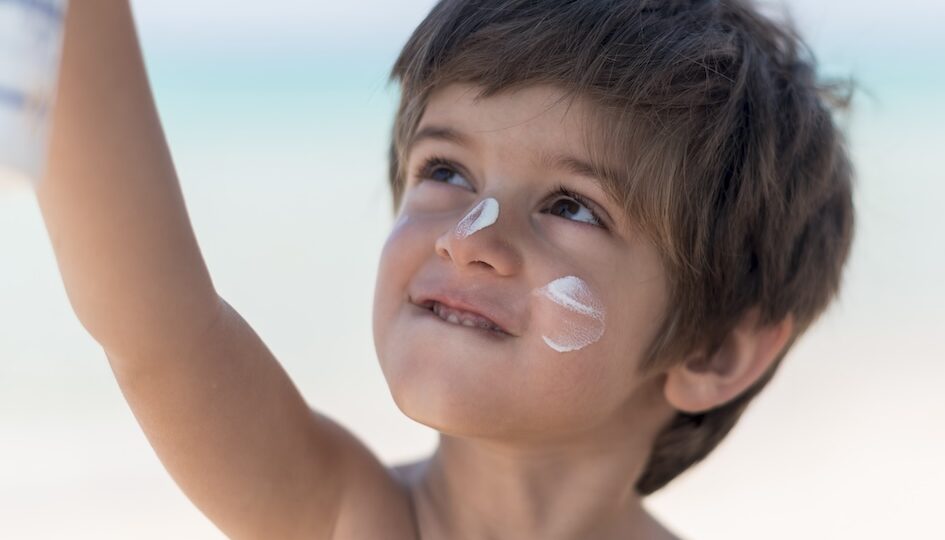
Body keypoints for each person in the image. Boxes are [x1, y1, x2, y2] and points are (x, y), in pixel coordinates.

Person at [38, 0, 855, 538]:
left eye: (572, 206)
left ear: (713, 352)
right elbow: (160, 329)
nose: (469, 237)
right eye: (446, 173)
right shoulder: (342, 518)